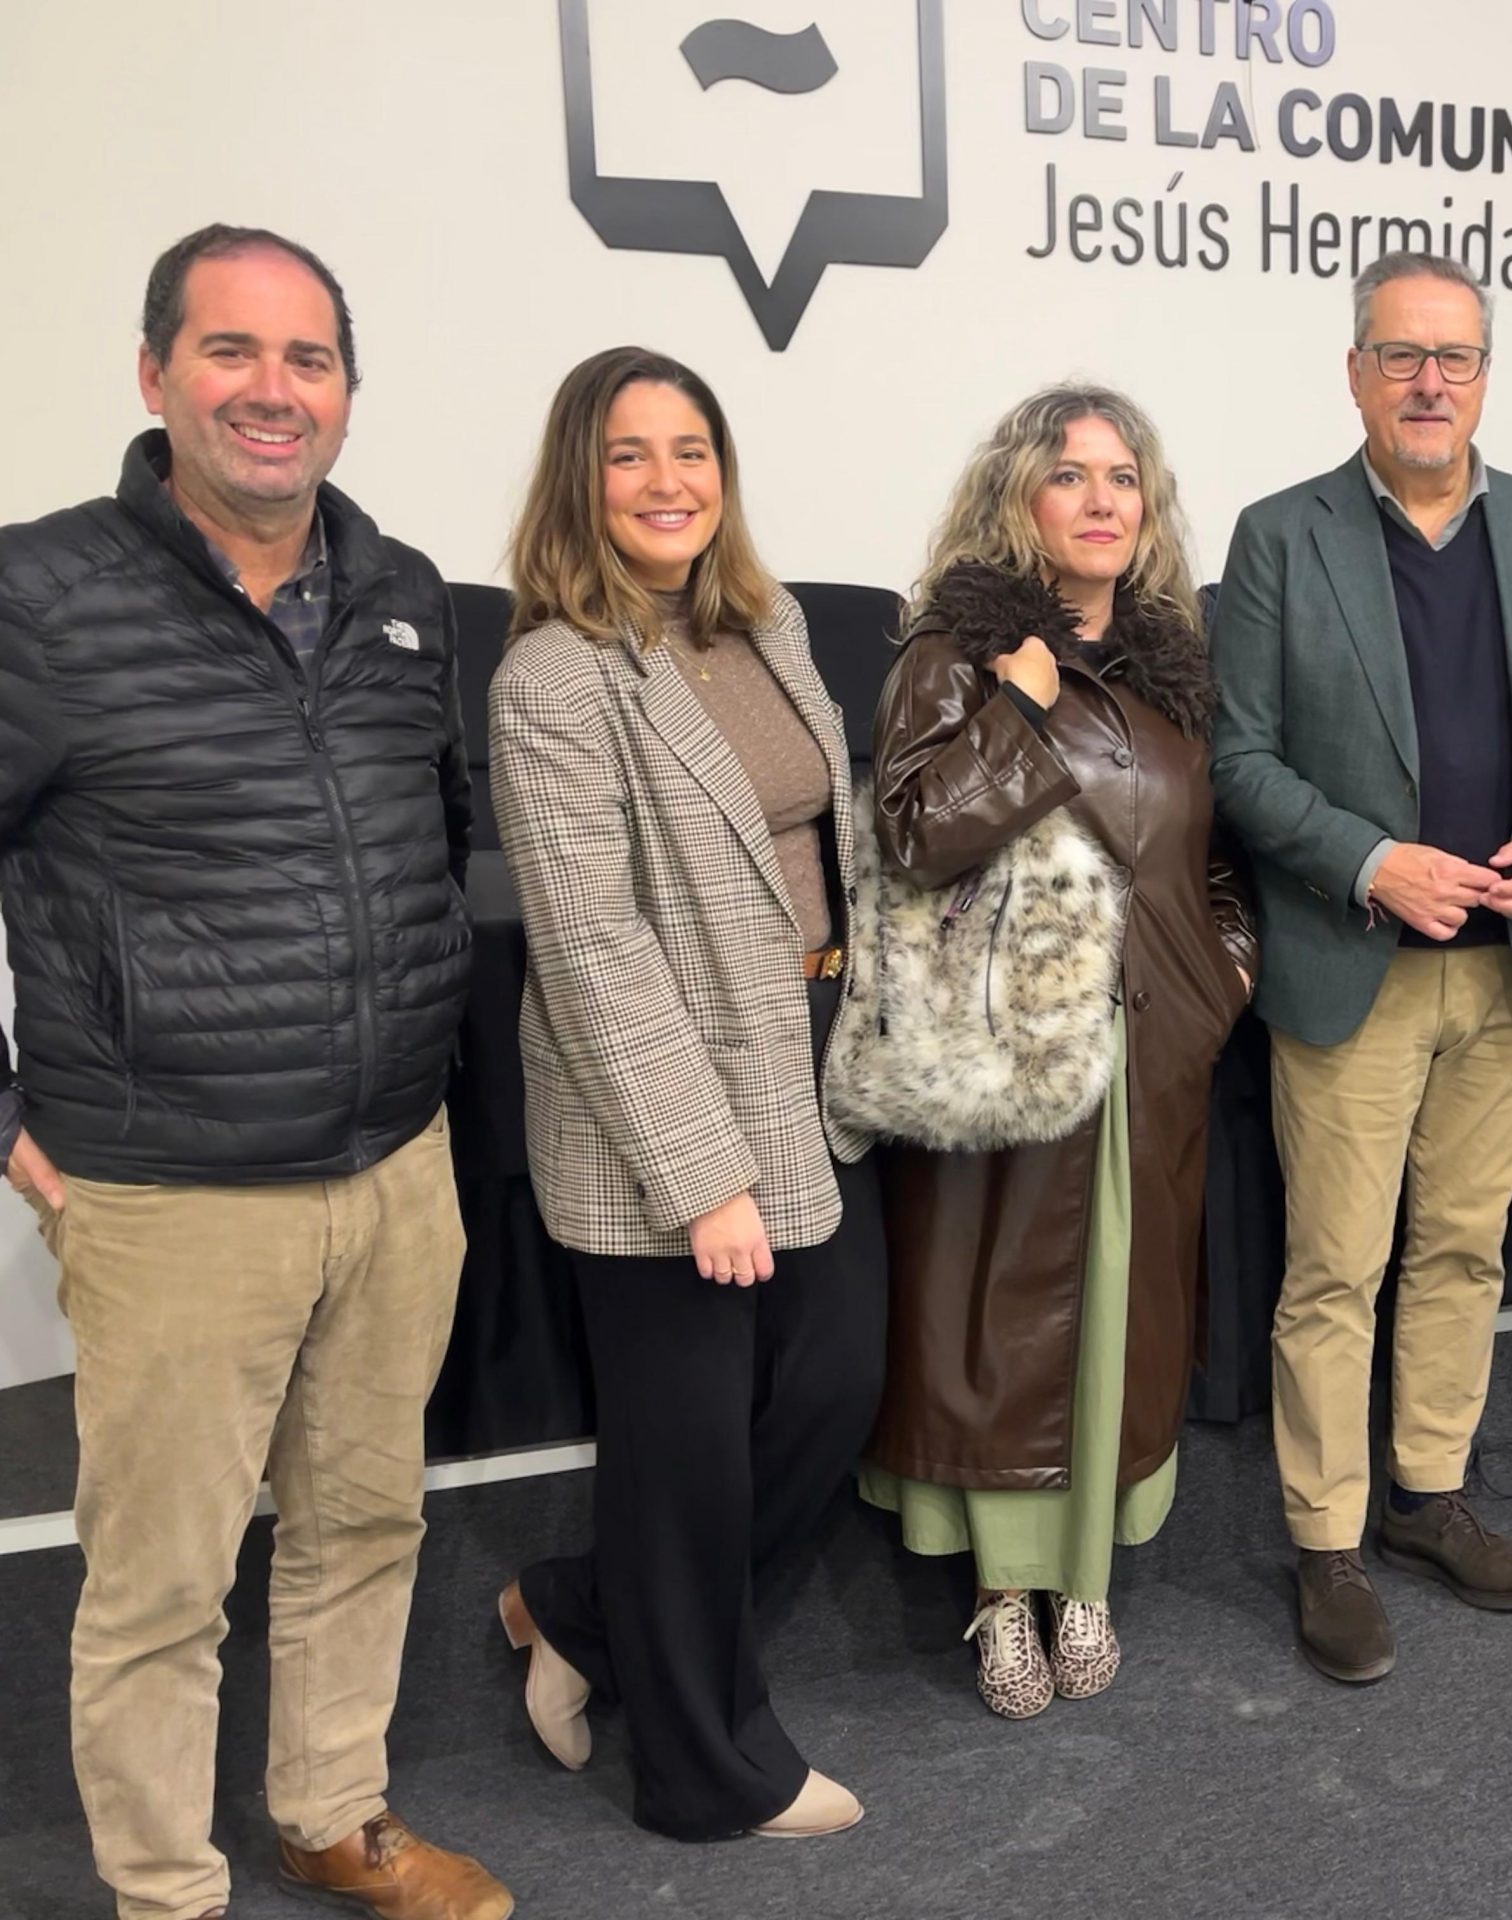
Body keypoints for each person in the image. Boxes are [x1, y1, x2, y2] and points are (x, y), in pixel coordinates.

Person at [0, 225, 508, 1920]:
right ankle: (165, 1891)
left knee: (364, 1524)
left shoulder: (402, 592)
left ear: (347, 393)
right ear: (156, 375)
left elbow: (437, 837)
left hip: (392, 1167)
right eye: (232, 350)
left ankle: (331, 1813)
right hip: (171, 1191)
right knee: (160, 1586)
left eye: (308, 359)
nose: (272, 390)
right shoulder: (39, 597)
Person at [486, 347, 884, 1838]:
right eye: (630, 455)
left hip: (809, 1058)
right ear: (579, 483)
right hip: (657, 1094)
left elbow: (827, 842)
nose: (669, 482)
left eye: (692, 450)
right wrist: (702, 1176)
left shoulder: (767, 627)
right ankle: (708, 1770)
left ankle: (582, 1613)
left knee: (832, 1388)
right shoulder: (552, 679)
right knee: (687, 1453)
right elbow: (592, 947)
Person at [1211, 251, 1512, 1684]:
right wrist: (1372, 860)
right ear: (1356, 374)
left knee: (1464, 1250)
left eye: (1454, 357)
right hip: (1354, 960)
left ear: (1487, 377)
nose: (1429, 382)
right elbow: (1239, 760)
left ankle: (1429, 1495)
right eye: (1401, 356)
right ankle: (1326, 1542)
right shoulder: (1281, 536)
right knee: (1335, 1269)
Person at [858, 385, 1255, 1720]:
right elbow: (916, 837)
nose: (1101, 501)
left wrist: (1219, 984)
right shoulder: (953, 654)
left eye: (1122, 478)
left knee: (1121, 1324)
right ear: (1018, 496)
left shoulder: (1174, 672)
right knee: (1006, 1331)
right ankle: (1002, 1591)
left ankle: (1084, 1581)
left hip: (1153, 1055)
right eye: (1070, 475)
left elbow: (1218, 867)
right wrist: (1018, 713)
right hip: (1008, 1064)